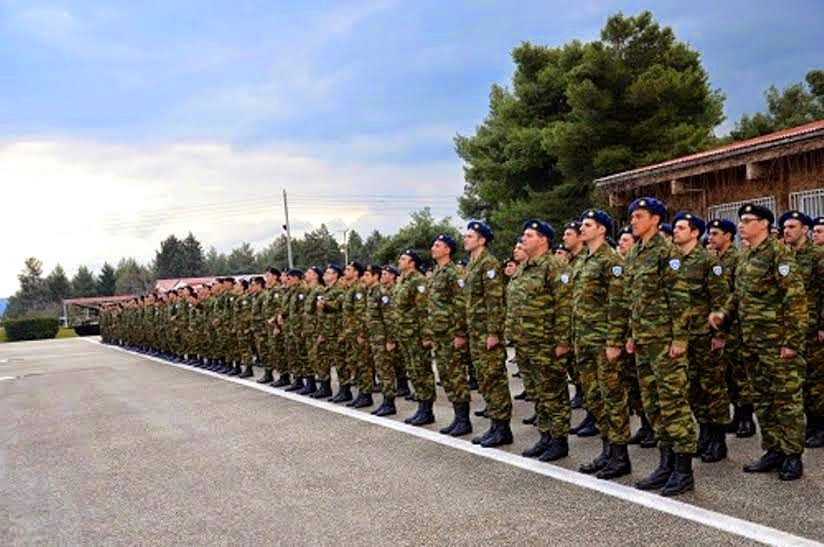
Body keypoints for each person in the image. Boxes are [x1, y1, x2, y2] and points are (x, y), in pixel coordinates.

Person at [710, 203, 807, 481]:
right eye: (740, 220)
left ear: (764, 224)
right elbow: (737, 295)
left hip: (777, 342)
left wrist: (791, 342)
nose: (741, 224)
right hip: (751, 342)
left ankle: (791, 455)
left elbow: (796, 301)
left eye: (748, 220)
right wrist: (723, 316)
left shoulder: (779, 254)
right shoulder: (746, 255)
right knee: (763, 400)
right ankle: (773, 449)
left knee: (786, 400)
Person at [625, 197, 696, 497]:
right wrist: (631, 335)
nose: (633, 221)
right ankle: (665, 464)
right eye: (632, 217)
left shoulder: (668, 253)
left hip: (666, 343)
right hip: (644, 342)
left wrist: (680, 339)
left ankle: (683, 471)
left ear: (655, 220)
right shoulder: (636, 253)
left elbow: (680, 300)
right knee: (653, 405)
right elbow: (633, 300)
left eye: (639, 216)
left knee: (673, 405)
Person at [573, 209, 632, 479]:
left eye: (588, 225)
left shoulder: (612, 261)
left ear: (602, 230)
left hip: (604, 341)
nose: (582, 229)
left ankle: (620, 456)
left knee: (612, 398)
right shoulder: (583, 259)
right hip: (585, 340)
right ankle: (607, 450)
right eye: (582, 225)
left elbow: (618, 304)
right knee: (594, 397)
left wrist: (614, 341)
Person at [671, 212, 729, 462]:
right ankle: (704, 431)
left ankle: (717, 438)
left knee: (712, 386)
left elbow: (721, 299)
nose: (675, 231)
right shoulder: (672, 260)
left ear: (694, 232)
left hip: (705, 335)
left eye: (681, 228)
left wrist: (721, 334)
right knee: (692, 387)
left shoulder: (708, 261)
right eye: (675, 227)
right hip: (683, 335)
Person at [513, 219, 572, 461]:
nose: (524, 239)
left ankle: (559, 441)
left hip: (546, 342)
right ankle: (545, 436)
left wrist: (562, 341)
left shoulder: (554, 267)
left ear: (542, 240)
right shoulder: (525, 268)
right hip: (526, 342)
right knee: (537, 392)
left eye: (529, 235)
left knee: (553, 392)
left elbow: (564, 306)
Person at [463, 221, 514, 447]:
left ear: (482, 240)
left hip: (487, 332)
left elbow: (495, 301)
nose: (466, 239)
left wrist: (494, 332)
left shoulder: (489, 263)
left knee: (494, 378)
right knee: (484, 379)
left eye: (470, 236)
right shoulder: (472, 264)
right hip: (476, 331)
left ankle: (503, 429)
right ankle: (494, 425)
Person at [778, 210, 824, 449]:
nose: (787, 231)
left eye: (792, 227)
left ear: (805, 229)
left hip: (813, 326)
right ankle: (807, 423)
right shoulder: (783, 257)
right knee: (798, 378)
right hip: (792, 328)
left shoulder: (817, 255)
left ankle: (819, 425)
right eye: (785, 227)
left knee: (816, 379)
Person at [706, 219, 756, 437]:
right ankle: (736, 415)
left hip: (735, 325)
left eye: (716, 233)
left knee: (739, 374)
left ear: (728, 236)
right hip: (719, 323)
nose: (711, 237)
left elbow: (736, 294)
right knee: (726, 374)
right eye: (710, 233)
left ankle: (746, 418)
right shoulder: (713, 259)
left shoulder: (737, 258)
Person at [427, 234, 473, 437]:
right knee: (446, 375)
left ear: (448, 250)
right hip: (439, 333)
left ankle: (464, 421)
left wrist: (460, 333)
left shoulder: (454, 273)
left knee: (456, 375)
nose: (433, 248)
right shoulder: (438, 272)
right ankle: (457, 417)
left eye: (437, 245)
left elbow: (460, 304)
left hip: (450, 333)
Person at [395, 249, 434, 425]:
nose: (399, 261)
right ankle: (421, 407)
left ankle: (427, 410)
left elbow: (423, 310)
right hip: (405, 334)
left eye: (403, 259)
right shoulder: (403, 280)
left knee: (422, 371)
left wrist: (426, 335)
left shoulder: (418, 280)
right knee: (413, 371)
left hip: (417, 334)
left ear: (412, 263)